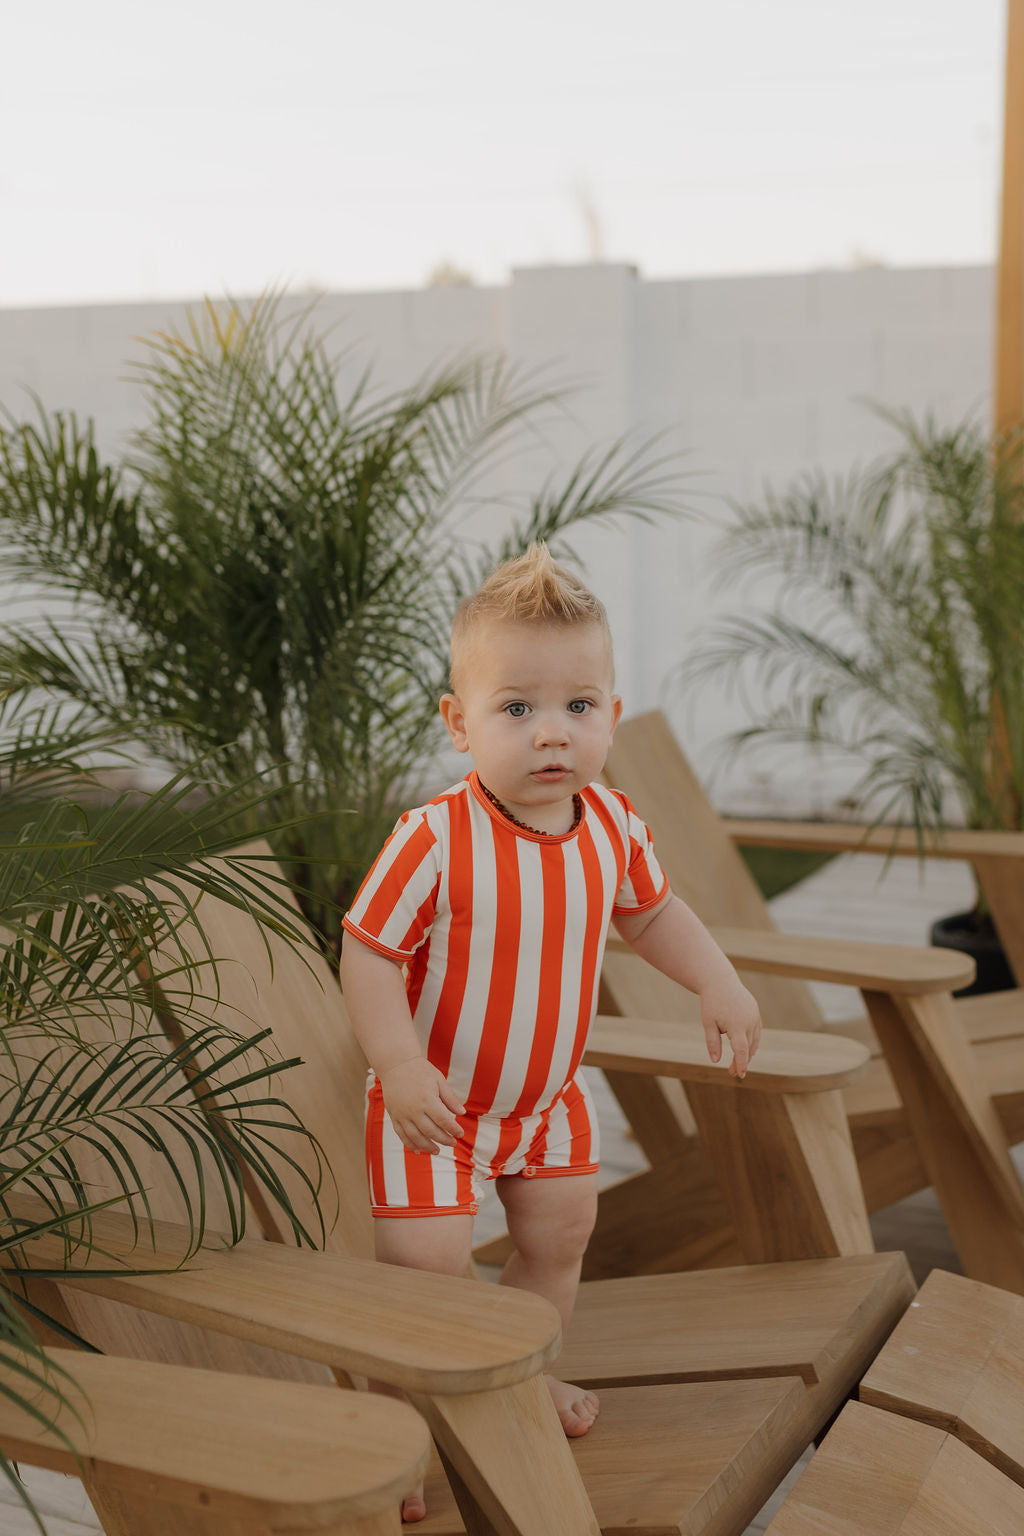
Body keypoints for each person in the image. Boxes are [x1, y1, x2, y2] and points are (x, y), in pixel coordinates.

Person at [339, 543, 762, 1523]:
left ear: (610, 717)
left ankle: (520, 1373)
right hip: (433, 1104)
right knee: (427, 1267)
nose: (551, 734)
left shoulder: (612, 824)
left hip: (546, 1103)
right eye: (516, 707)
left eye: (578, 706)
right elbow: (365, 953)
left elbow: (652, 916)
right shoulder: (433, 839)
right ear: (458, 724)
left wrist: (720, 983)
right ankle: (401, 1422)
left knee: (561, 1234)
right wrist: (397, 1064)